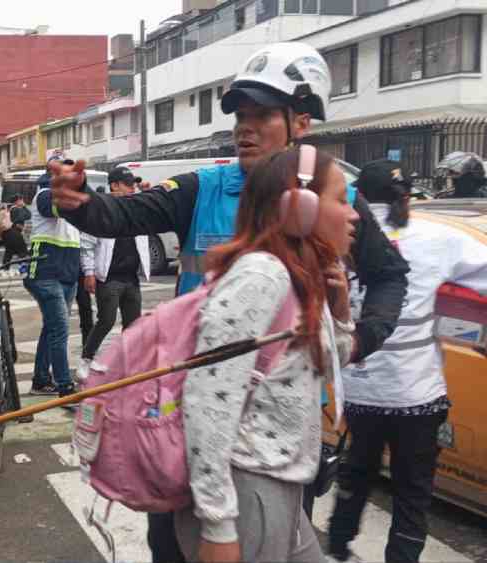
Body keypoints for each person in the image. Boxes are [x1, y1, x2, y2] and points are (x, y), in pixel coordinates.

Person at [50, 42, 409, 563]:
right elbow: (124, 216)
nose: (245, 128)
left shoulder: (335, 198)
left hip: (276, 439)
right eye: (241, 116)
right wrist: (81, 202)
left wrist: (359, 338)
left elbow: (390, 275)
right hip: (188, 425)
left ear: (301, 123)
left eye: (262, 115)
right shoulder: (208, 186)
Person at [167, 145, 357, 563]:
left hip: (280, 487)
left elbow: (328, 364)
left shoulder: (299, 276)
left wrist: (339, 311)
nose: (354, 213)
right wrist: (217, 524)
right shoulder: (261, 277)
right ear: (299, 207)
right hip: (246, 491)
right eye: (342, 200)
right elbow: (207, 398)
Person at [328, 160, 487, 563]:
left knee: (357, 472)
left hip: (360, 386)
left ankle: (336, 546)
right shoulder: (440, 236)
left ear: (358, 196)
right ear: (408, 196)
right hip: (417, 392)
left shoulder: (339, 234)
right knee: (412, 492)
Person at [78, 168, 152, 380]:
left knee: (132, 325)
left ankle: (127, 364)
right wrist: (89, 272)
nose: (132, 188)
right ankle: (86, 359)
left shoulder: (136, 206)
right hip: (109, 277)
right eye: (128, 184)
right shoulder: (103, 210)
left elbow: (154, 206)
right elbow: (87, 243)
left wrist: (148, 192)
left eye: (133, 185)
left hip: (131, 277)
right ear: (114, 186)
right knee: (106, 320)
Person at [24, 159, 83, 400]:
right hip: (46, 275)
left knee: (51, 329)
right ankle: (65, 386)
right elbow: (60, 208)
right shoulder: (44, 195)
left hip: (66, 275)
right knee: (59, 330)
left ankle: (40, 379)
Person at [1, 196, 31, 267]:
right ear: (18, 201)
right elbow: (28, 215)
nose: (23, 202)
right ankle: (26, 269)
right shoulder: (16, 209)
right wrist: (24, 207)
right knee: (23, 253)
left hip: (7, 233)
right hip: (14, 233)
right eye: (21, 200)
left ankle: (4, 269)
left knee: (9, 253)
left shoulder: (10, 209)